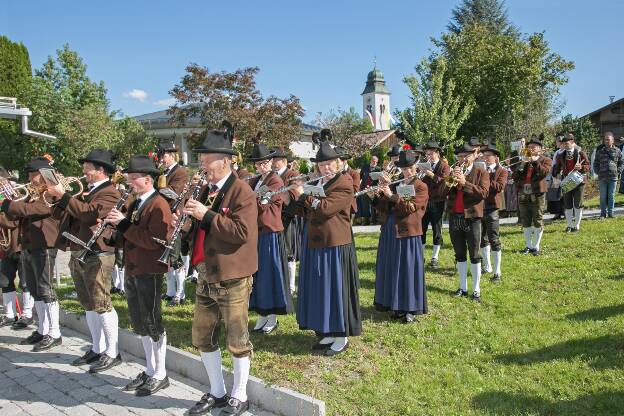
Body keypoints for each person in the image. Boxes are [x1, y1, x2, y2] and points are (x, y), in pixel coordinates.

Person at [181, 123, 258, 416]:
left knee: (237, 339)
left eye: (206, 158)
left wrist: (206, 215)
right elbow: (198, 230)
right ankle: (217, 391)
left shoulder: (241, 191)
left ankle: (240, 394)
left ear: (224, 161)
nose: (202, 164)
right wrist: (186, 221)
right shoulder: (205, 190)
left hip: (232, 276)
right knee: (202, 336)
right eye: (201, 158)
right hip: (205, 273)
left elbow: (240, 233)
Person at [47, 149, 122, 372]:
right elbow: (64, 215)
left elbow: (89, 214)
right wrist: (57, 199)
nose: (83, 171)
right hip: (80, 250)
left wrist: (64, 196)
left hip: (99, 253)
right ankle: (98, 347)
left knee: (102, 302)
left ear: (100, 170)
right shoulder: (88, 191)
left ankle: (113, 351)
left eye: (87, 167)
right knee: (88, 303)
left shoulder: (110, 192)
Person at [103, 155, 172, 396]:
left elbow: (153, 242)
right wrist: (112, 230)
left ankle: (161, 373)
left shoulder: (159, 204)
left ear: (147, 179)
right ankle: (150, 368)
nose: (130, 182)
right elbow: (130, 234)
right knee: (140, 322)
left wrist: (122, 224)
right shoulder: (136, 203)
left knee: (153, 322)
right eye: (129, 178)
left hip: (150, 268)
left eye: (134, 178)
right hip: (133, 268)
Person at [292, 139, 361, 356]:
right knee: (324, 290)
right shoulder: (320, 183)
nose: (326, 168)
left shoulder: (344, 182)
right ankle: (329, 331)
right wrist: (295, 198)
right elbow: (308, 211)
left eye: (330, 163)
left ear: (339, 163)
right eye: (322, 165)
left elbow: (324, 209)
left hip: (335, 245)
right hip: (317, 243)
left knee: (337, 290)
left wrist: (304, 195)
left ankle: (342, 336)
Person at [1, 157, 62, 351]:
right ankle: (43, 330)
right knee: (36, 290)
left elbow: (35, 210)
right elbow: (17, 214)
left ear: (43, 174)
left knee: (46, 289)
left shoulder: (53, 190)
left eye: (33, 175)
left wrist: (6, 203)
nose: (30, 178)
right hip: (29, 244)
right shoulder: (34, 192)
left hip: (45, 244)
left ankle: (55, 332)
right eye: (29, 175)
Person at [372, 151, 428, 323]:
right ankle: (394, 304)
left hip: (408, 232)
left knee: (407, 270)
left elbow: (410, 208)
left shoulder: (421, 186)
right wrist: (377, 196)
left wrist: (391, 195)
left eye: (410, 168)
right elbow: (385, 208)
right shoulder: (397, 184)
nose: (408, 172)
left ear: (416, 167)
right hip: (391, 230)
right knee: (393, 267)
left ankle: (410, 307)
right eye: (404, 169)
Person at [247, 141, 293, 334]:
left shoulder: (275, 181)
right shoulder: (254, 181)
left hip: (270, 232)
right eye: (258, 163)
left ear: (271, 161)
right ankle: (262, 313)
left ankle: (272, 317)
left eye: (265, 162)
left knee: (270, 275)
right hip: (257, 232)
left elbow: (261, 205)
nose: (262, 166)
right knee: (258, 276)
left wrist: (253, 199)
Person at [443, 143, 489, 302]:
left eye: (466, 156)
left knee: (475, 254)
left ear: (473, 156)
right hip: (455, 217)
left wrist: (464, 183)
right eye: (460, 156)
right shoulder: (454, 171)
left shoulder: (481, 172)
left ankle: (476, 289)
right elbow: (443, 192)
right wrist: (449, 181)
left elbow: (483, 193)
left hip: (472, 218)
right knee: (459, 254)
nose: (462, 159)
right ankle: (462, 287)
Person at [0, 168, 34, 330]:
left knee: (25, 281)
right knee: (5, 280)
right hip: (5, 246)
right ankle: (10, 314)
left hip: (20, 244)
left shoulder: (20, 196)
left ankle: (27, 314)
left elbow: (13, 221)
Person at [157, 140, 190, 307]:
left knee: (176, 258)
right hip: (166, 219)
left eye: (163, 156)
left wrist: (155, 192)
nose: (161, 159)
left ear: (170, 156)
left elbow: (174, 194)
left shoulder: (180, 172)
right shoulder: (165, 172)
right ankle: (170, 292)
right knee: (167, 258)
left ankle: (180, 294)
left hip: (176, 218)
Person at [512, 136, 552, 255]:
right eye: (529, 147)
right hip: (523, 193)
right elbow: (514, 176)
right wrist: (522, 164)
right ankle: (528, 245)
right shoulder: (523, 160)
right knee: (525, 220)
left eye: (533, 147)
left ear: (539, 149)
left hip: (537, 193)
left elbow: (543, 173)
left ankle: (536, 246)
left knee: (538, 219)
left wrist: (535, 161)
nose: (530, 149)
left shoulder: (546, 160)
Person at [272, 147, 302, 294]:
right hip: (273, 217)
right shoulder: (271, 175)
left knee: (289, 252)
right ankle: (279, 281)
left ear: (283, 161)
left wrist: (284, 195)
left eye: (275, 159)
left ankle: (290, 285)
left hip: (287, 218)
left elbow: (296, 198)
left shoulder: (292, 174)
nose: (272, 162)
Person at [479, 144, 508, 283]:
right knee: (482, 239)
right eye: (484, 156)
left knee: (494, 239)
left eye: (488, 156)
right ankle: (487, 266)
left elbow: (499, 187)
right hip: (479, 206)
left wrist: (486, 176)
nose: (485, 158)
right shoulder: (480, 170)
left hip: (492, 207)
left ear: (496, 158)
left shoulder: (502, 171)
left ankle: (498, 272)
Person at [420, 141, 450, 268]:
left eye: (431, 154)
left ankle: (435, 257)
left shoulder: (444, 166)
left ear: (437, 153)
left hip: (437, 201)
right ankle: (420, 256)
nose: (429, 156)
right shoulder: (425, 165)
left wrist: (431, 174)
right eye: (427, 154)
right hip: (425, 201)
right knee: (422, 229)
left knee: (437, 230)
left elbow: (444, 183)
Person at [553, 133, 590, 232]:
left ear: (573, 142)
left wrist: (581, 167)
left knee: (578, 204)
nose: (565, 145)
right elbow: (556, 168)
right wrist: (557, 173)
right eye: (564, 143)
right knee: (567, 204)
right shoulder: (561, 155)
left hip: (579, 181)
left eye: (567, 143)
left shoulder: (580, 153)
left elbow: (587, 165)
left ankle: (577, 225)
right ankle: (569, 225)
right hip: (567, 181)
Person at [593, 131, 623, 218]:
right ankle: (603, 213)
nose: (607, 141)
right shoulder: (600, 151)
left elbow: (621, 162)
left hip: (613, 177)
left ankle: (611, 213)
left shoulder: (617, 150)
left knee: (611, 196)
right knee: (602, 197)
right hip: (602, 177)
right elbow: (595, 163)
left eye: (609, 140)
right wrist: (598, 171)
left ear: (613, 140)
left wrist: (618, 171)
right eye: (606, 140)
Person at [335, 146, 360, 221]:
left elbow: (355, 190)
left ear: (344, 161)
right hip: (334, 206)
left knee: (347, 231)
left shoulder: (354, 173)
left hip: (349, 207)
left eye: (336, 161)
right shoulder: (333, 173)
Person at [357, 155, 381, 225]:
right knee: (365, 205)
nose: (375, 163)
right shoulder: (365, 167)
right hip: (364, 188)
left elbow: (380, 180)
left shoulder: (378, 169)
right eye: (373, 161)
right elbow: (360, 177)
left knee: (373, 204)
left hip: (373, 189)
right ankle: (366, 220)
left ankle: (373, 220)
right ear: (371, 160)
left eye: (376, 162)